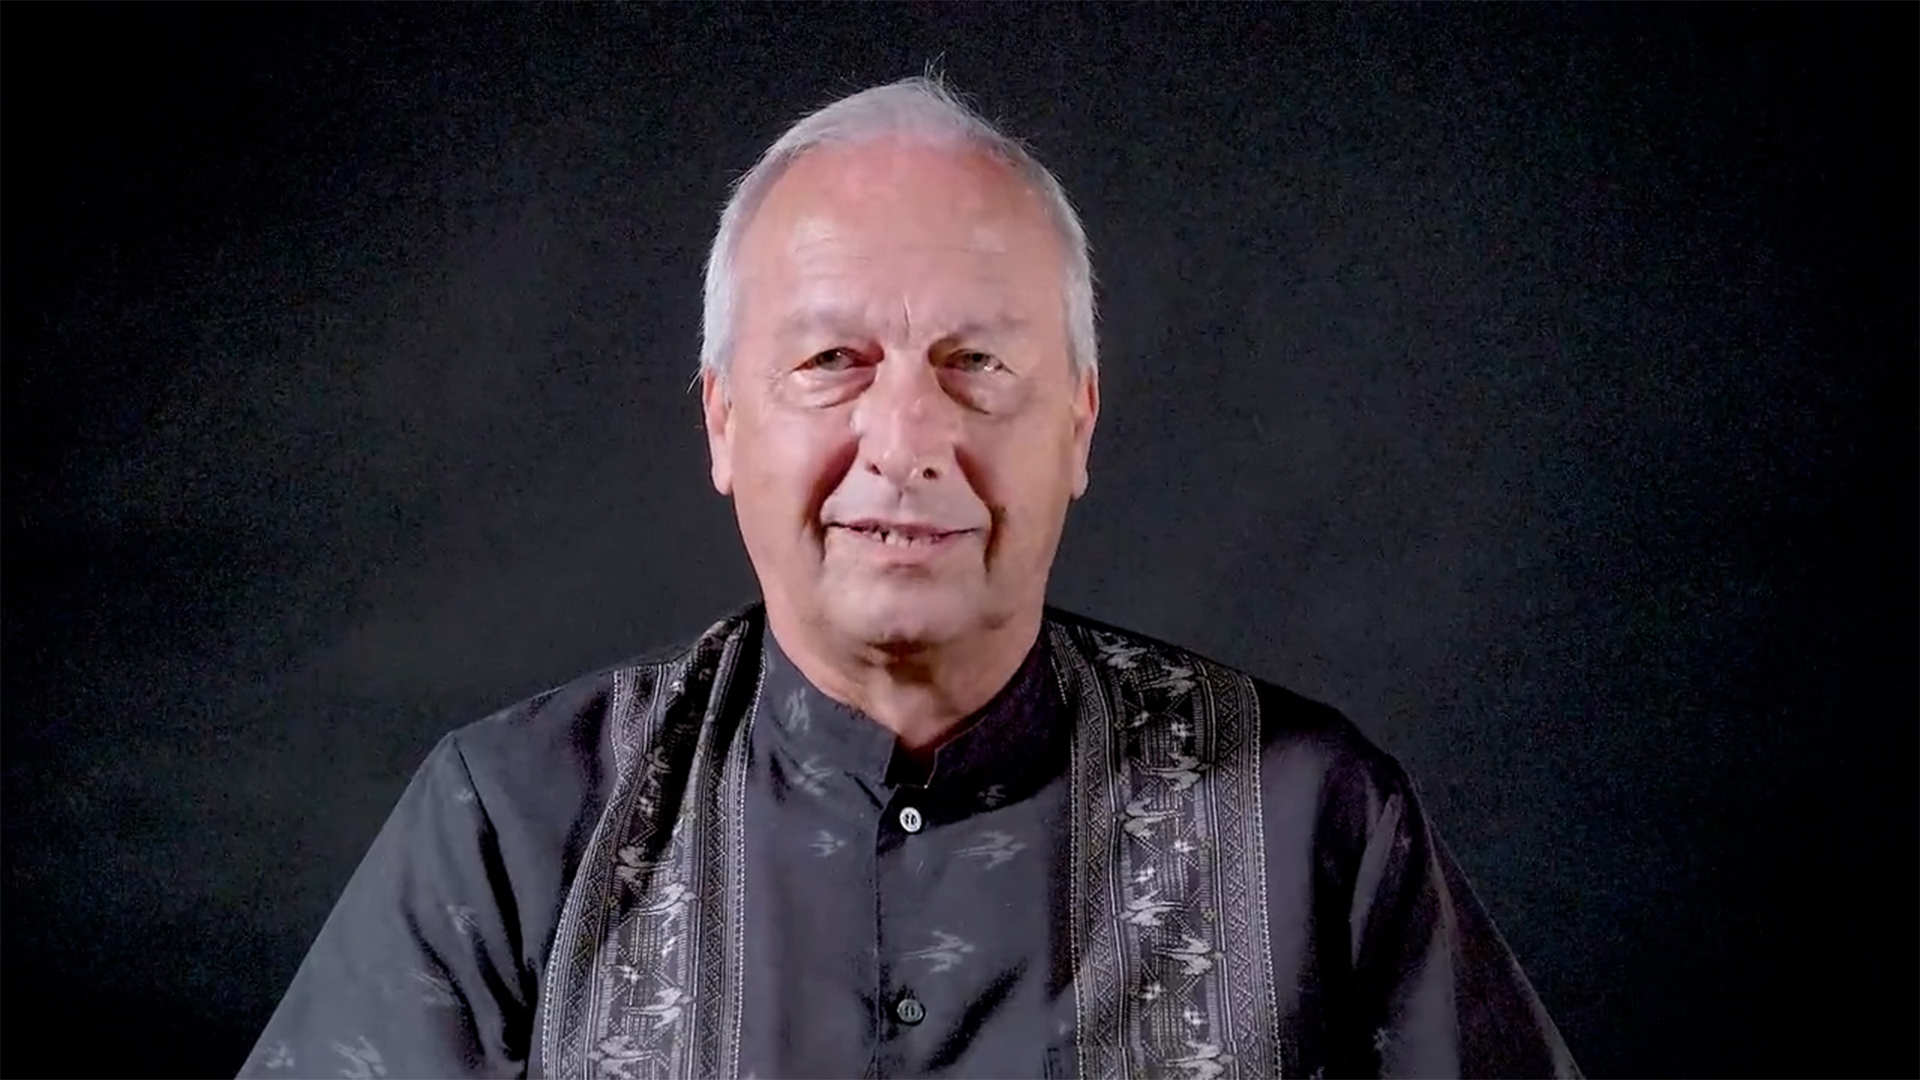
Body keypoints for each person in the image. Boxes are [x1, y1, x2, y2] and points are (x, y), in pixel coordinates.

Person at [241, 75, 1578, 1080]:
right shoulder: (514, 828)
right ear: (723, 422)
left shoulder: (1313, 821)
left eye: (976, 364)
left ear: (1080, 425)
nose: (906, 441)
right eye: (833, 363)